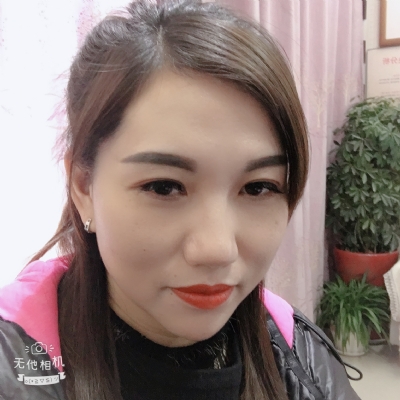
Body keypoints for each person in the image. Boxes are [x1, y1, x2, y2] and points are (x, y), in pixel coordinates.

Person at [0, 1, 361, 399]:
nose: (217, 250)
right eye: (164, 187)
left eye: (258, 187)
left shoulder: (300, 358)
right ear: (83, 187)